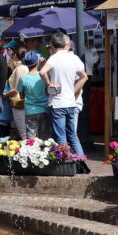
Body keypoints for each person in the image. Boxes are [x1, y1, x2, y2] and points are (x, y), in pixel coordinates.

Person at [40, 31, 88, 159]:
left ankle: (65, 163)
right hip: (70, 103)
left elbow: (42, 72)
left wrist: (49, 84)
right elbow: (84, 77)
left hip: (57, 103)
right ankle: (81, 163)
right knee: (72, 136)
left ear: (52, 45)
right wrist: (72, 92)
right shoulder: (74, 58)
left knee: (61, 137)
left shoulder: (54, 58)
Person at [16, 51, 49, 139]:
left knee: (32, 139)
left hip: (30, 110)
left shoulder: (23, 78)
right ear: (37, 63)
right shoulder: (43, 76)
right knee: (45, 139)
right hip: (44, 109)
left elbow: (21, 95)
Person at [4, 48, 29, 140]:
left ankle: (27, 150)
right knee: (26, 129)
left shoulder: (19, 68)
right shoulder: (27, 67)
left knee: (23, 132)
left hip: (18, 101)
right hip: (26, 100)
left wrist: (5, 95)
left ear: (15, 55)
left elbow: (16, 89)